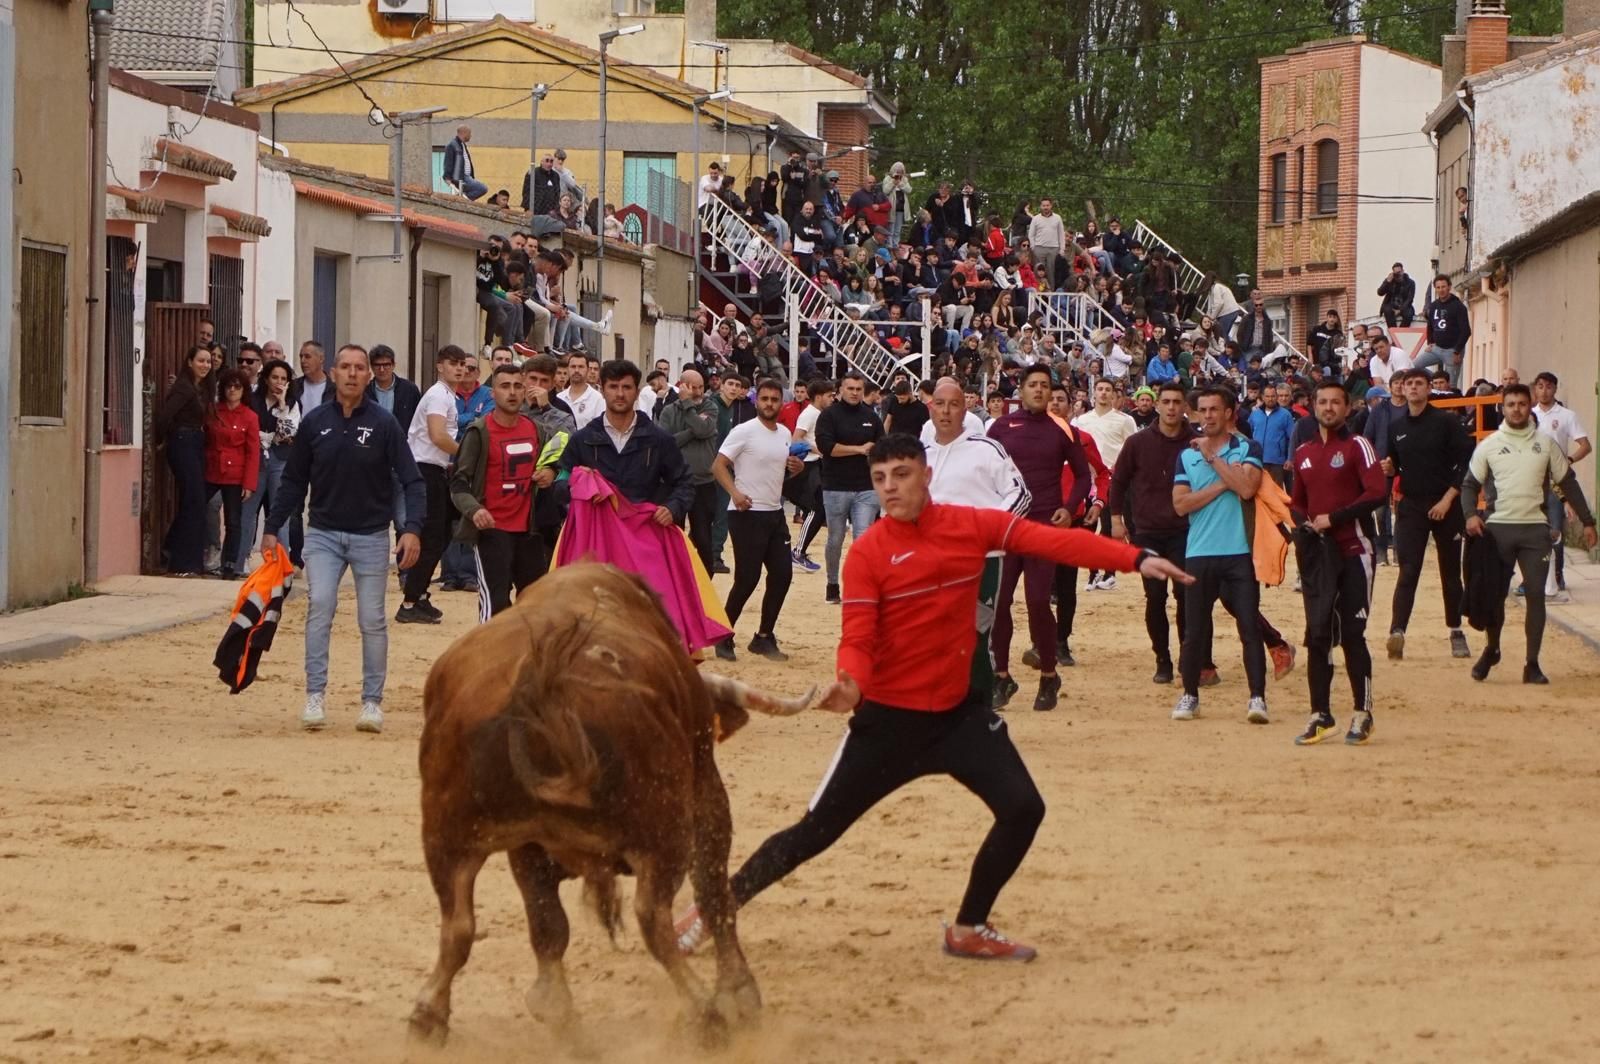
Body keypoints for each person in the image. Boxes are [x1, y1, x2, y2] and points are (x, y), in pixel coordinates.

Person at [673, 433, 1191, 963]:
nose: (890, 488)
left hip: (957, 716)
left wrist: (1135, 558)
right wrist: (850, 683)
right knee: (814, 832)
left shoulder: (971, 525)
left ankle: (968, 927)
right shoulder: (870, 551)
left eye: (900, 475)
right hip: (887, 725)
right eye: (880, 479)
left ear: (925, 475)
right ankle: (714, 906)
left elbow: (1049, 542)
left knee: (1023, 809)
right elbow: (857, 636)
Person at [261, 344, 425, 734]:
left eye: (360, 368)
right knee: (320, 605)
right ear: (333, 373)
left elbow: (412, 480)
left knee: (372, 619)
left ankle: (371, 702)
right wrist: (272, 528)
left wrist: (412, 529)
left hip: (370, 535)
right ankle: (315, 694)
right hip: (322, 534)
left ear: (369, 376)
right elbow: (293, 481)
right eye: (345, 367)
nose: (352, 374)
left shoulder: (385, 425)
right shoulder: (315, 422)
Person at [1461, 383, 1598, 685]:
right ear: (1503, 408)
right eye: (1511, 404)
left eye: (1522, 404)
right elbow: (1470, 484)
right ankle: (1492, 648)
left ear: (1530, 405)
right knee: (1495, 596)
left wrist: (1588, 522)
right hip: (1498, 530)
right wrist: (1471, 515)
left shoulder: (1546, 444)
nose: (1517, 409)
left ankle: (1532, 664)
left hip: (1535, 530)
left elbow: (1569, 482)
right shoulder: (1490, 444)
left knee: (1536, 594)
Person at [986, 364, 1093, 711]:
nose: (1038, 390)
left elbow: (1082, 476)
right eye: (1032, 384)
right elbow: (986, 472)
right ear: (1021, 389)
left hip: (1045, 525)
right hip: (1007, 526)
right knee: (999, 604)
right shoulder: (1000, 427)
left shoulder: (1062, 429)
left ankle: (1049, 674)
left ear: (1050, 393)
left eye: (1044, 386)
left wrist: (1069, 507)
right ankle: (1002, 677)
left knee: (1036, 601)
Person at [1288, 381, 1386, 746]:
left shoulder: (1358, 445)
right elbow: (1296, 500)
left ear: (1348, 408)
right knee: (1317, 635)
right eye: (1322, 402)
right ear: (1313, 406)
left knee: (1352, 635)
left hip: (1354, 551)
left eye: (1335, 403)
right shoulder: (1303, 452)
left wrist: (1336, 517)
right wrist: (1303, 522)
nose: (1328, 408)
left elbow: (1377, 492)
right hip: (1319, 555)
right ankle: (1320, 714)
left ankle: (1363, 712)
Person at [924, 380, 1030, 702]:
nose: (945, 411)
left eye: (953, 404)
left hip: (980, 559)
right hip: (932, 558)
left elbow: (1021, 494)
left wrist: (989, 529)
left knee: (974, 633)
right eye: (939, 404)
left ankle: (981, 704)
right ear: (930, 408)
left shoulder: (987, 449)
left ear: (965, 408)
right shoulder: (920, 454)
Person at [1171, 388, 1270, 725]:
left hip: (1239, 551)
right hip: (1199, 552)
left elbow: (1247, 489)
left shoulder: (1248, 447)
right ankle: (1189, 695)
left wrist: (1214, 460)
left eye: (1215, 409)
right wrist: (1224, 480)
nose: (1208, 416)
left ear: (1230, 413)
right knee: (1194, 631)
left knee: (1249, 627)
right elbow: (1181, 505)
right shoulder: (1186, 456)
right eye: (1203, 410)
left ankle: (1257, 697)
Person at [1383, 368, 1475, 662]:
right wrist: (1388, 468)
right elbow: (1395, 465)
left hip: (1446, 505)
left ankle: (1456, 630)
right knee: (1408, 570)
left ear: (1428, 389)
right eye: (1407, 383)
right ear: (1400, 388)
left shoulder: (1446, 422)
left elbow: (1465, 464)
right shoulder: (1396, 425)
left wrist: (1449, 499)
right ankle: (1397, 631)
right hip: (1412, 506)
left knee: (1450, 571)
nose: (1412, 388)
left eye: (1418, 383)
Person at [450, 364, 555, 620]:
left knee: (536, 603)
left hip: (529, 531)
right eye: (505, 386)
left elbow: (554, 462)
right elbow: (458, 483)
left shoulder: (536, 430)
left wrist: (551, 473)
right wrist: (475, 510)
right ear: (492, 392)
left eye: (518, 386)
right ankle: (489, 657)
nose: (512, 392)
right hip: (492, 530)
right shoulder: (479, 432)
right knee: (495, 606)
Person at [712, 379, 802, 662]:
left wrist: (796, 468)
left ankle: (764, 636)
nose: (769, 404)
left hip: (774, 513)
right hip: (746, 513)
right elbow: (718, 465)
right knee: (747, 578)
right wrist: (735, 493)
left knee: (783, 575)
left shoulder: (785, 433)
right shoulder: (744, 431)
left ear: (780, 403)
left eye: (775, 399)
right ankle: (724, 634)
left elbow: (779, 472)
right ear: (756, 401)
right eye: (765, 399)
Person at [558, 359, 694, 526]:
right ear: (603, 390)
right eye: (613, 387)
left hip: (645, 534)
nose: (620, 394)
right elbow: (560, 482)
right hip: (597, 535)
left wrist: (672, 508)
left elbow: (684, 482)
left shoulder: (659, 439)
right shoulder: (582, 440)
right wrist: (579, 485)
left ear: (637, 392)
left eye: (627, 387)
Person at [397, 346, 470, 625]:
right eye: (453, 363)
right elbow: (438, 436)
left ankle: (419, 594)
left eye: (462, 364)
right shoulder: (439, 395)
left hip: (435, 468)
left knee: (440, 535)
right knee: (432, 538)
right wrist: (466, 456)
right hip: (425, 470)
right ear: (440, 366)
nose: (460, 368)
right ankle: (411, 600)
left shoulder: (447, 395)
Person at [815, 372, 884, 604]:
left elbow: (881, 445)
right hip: (836, 485)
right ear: (841, 390)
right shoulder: (828, 415)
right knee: (835, 538)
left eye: (858, 389)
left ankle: (859, 586)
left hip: (866, 487)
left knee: (862, 537)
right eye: (851, 388)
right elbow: (827, 447)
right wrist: (859, 449)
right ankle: (832, 583)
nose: (855, 392)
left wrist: (874, 452)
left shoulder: (871, 416)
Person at [154, 344, 214, 576]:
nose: (205, 365)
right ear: (189, 362)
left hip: (195, 442)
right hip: (182, 441)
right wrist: (161, 440)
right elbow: (164, 416)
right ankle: (183, 562)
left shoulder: (201, 388)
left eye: (208, 362)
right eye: (200, 361)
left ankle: (175, 550)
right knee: (194, 500)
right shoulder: (184, 388)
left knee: (195, 500)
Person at [1531, 371, 1591, 600]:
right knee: (1534, 530)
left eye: (1548, 387)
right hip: (1533, 479)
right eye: (1540, 386)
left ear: (1555, 389)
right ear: (1535, 389)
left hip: (1557, 480)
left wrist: (1570, 460)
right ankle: (1535, 577)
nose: (1544, 391)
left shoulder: (1566, 415)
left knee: (1555, 529)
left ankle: (1557, 575)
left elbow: (1585, 445)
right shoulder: (1529, 413)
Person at [1073, 377, 1138, 589]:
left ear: (1113, 395)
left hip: (1113, 479)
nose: (1103, 393)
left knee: (1109, 525)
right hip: (1087, 478)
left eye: (1107, 390)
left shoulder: (1125, 421)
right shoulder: (1081, 421)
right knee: (1088, 526)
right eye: (1099, 389)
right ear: (1094, 393)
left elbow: (1132, 450)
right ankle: (1093, 573)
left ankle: (1109, 572)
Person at [657, 367, 720, 574]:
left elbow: (703, 429)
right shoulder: (668, 411)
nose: (698, 392)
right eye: (693, 387)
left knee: (703, 537)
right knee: (673, 534)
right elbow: (667, 442)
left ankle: (705, 579)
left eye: (701, 387)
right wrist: (693, 431)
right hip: (674, 484)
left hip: (704, 484)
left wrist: (688, 409)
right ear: (681, 386)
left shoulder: (711, 407)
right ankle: (673, 575)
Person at [205, 368, 262, 581]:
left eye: (237, 386)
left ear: (244, 390)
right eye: (229, 386)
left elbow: (252, 452)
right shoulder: (214, 411)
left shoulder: (250, 417)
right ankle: (204, 554)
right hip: (212, 470)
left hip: (235, 474)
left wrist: (249, 483)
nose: (232, 390)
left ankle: (229, 563)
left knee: (233, 521)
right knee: (200, 509)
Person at [791, 378, 836, 572]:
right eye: (829, 395)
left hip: (815, 466)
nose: (832, 399)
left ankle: (799, 551)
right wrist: (818, 450)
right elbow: (796, 438)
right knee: (816, 509)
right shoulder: (810, 414)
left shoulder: (820, 413)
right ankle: (798, 552)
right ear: (819, 397)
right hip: (807, 468)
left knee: (819, 509)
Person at [1415, 275, 1471, 390]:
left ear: (1449, 287)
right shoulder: (1433, 305)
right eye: (1438, 287)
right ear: (1435, 289)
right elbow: (1430, 326)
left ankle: (1451, 405)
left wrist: (1457, 351)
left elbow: (1466, 331)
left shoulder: (1458, 306)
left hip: (1452, 351)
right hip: (1436, 349)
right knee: (1415, 366)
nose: (1441, 290)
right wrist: (1430, 342)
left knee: (1451, 385)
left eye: (1443, 287)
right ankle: (1437, 381)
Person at [1247, 383, 1294, 488]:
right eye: (1267, 396)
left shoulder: (1285, 415)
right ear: (1263, 397)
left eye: (1273, 396)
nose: (1270, 399)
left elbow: (1292, 438)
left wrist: (1290, 458)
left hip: (1276, 461)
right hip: (1257, 460)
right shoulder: (1255, 414)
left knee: (1275, 491)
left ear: (1276, 397)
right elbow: (1249, 434)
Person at [556, 351, 604, 428]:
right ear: (568, 369)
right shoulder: (559, 397)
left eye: (581, 367)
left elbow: (600, 429)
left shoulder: (598, 399)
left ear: (587, 370)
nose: (576, 370)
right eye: (573, 366)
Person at [442, 125, 487, 201]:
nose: (471, 136)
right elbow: (448, 162)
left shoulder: (462, 145)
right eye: (470, 133)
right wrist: (447, 177)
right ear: (464, 133)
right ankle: (461, 200)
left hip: (466, 177)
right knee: (482, 188)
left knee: (479, 189)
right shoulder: (452, 145)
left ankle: (461, 199)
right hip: (461, 177)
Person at [1377, 262, 1416, 327]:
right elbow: (1380, 293)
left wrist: (1400, 310)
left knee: (1409, 314)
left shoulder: (1410, 282)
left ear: (1403, 271)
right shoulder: (1389, 281)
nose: (1398, 275)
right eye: (1396, 273)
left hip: (1404, 305)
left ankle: (1401, 332)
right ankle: (1393, 331)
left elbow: (1410, 298)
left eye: (1399, 272)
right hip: (1390, 304)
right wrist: (1387, 282)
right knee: (1387, 311)